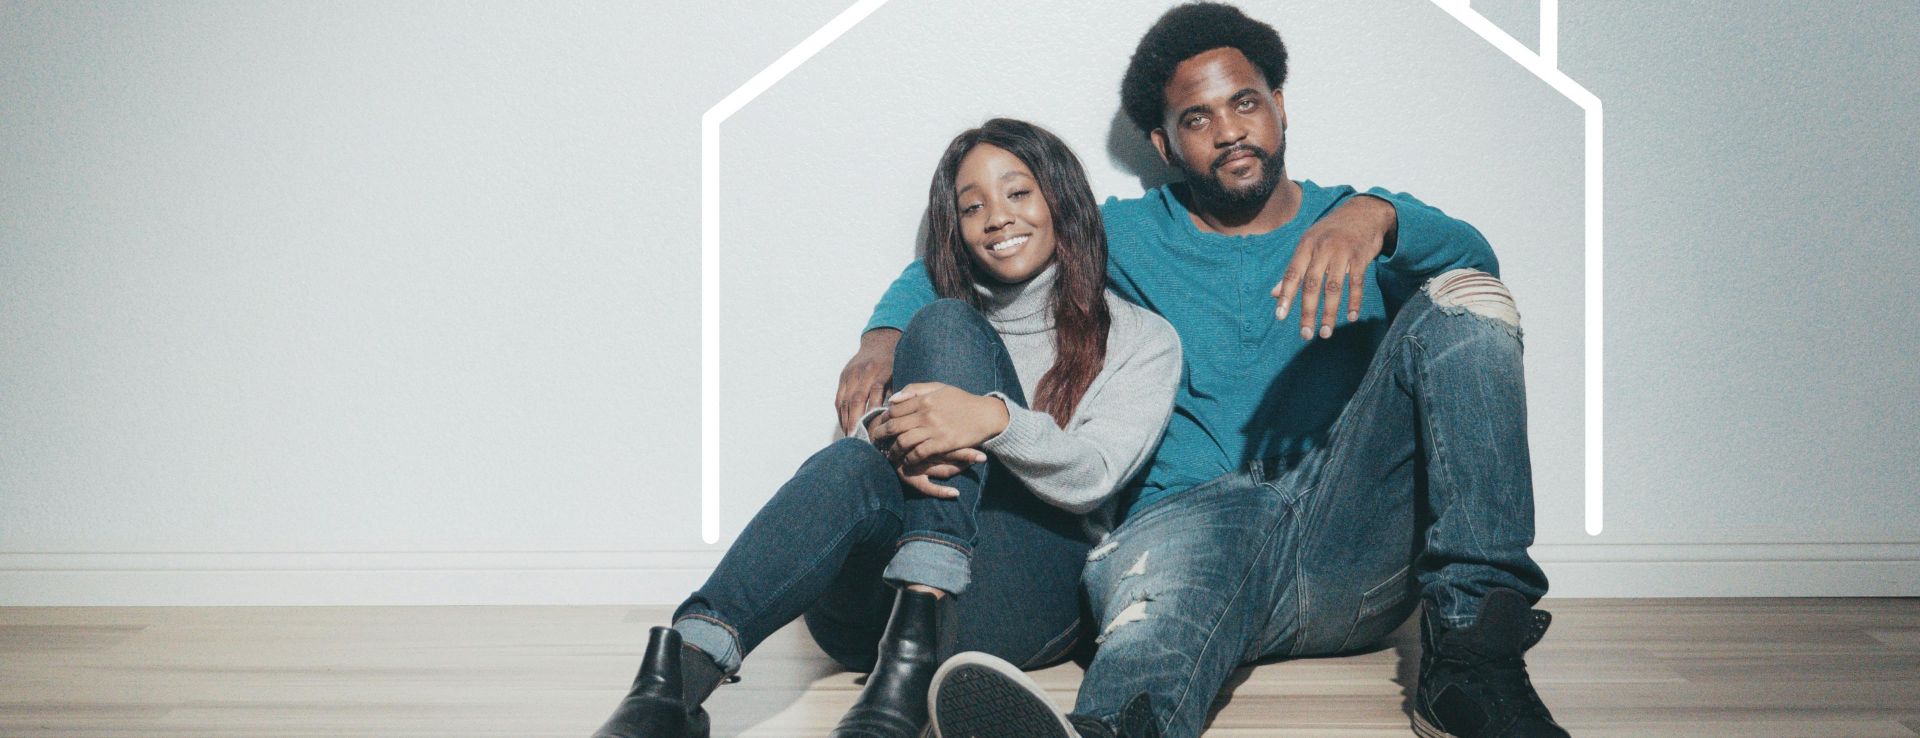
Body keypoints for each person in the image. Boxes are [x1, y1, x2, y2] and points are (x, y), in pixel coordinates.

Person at [845, 5, 1567, 737]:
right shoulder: (1122, 233)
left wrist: (1377, 215)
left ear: (1278, 107)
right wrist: (884, 334)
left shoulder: (1354, 227)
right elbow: (974, 250)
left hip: (1345, 544)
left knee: (1466, 302)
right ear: (1164, 142)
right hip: (1183, 536)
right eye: (1197, 118)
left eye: (1245, 102)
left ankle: (1476, 660)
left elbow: (1475, 270)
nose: (1228, 130)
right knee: (1159, 622)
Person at [591, 118, 1182, 738]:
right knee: (851, 456)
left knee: (946, 326)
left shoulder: (1142, 338)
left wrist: (992, 419)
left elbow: (1095, 475)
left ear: (1061, 199)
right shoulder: (926, 325)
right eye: (972, 206)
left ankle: (915, 645)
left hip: (1026, 595)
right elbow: (857, 475)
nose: (996, 218)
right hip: (870, 622)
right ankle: (676, 678)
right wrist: (887, 434)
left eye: (1017, 193)